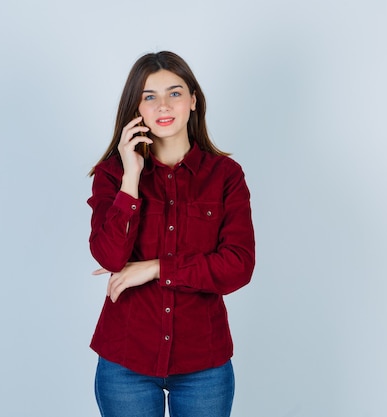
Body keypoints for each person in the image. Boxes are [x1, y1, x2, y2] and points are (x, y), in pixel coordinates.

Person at [87, 51, 255, 417]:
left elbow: (238, 266)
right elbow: (110, 257)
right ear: (137, 108)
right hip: (125, 362)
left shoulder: (226, 176)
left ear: (193, 100)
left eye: (174, 93)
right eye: (149, 96)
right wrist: (131, 177)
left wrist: (155, 267)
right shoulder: (113, 174)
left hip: (204, 365)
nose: (163, 105)